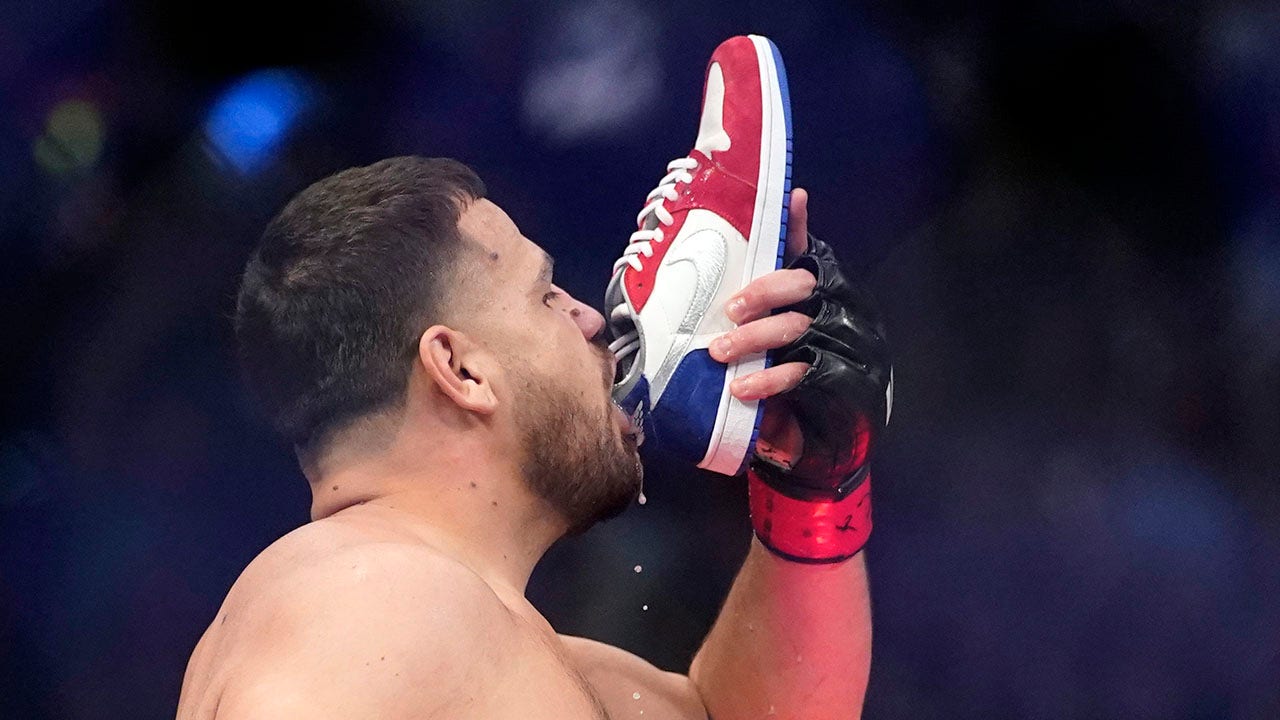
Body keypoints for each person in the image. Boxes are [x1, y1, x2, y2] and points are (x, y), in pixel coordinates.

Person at [175, 152, 887, 719]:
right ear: (461, 369)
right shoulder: (370, 595)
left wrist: (814, 487)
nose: (591, 319)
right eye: (546, 295)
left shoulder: (475, 638)